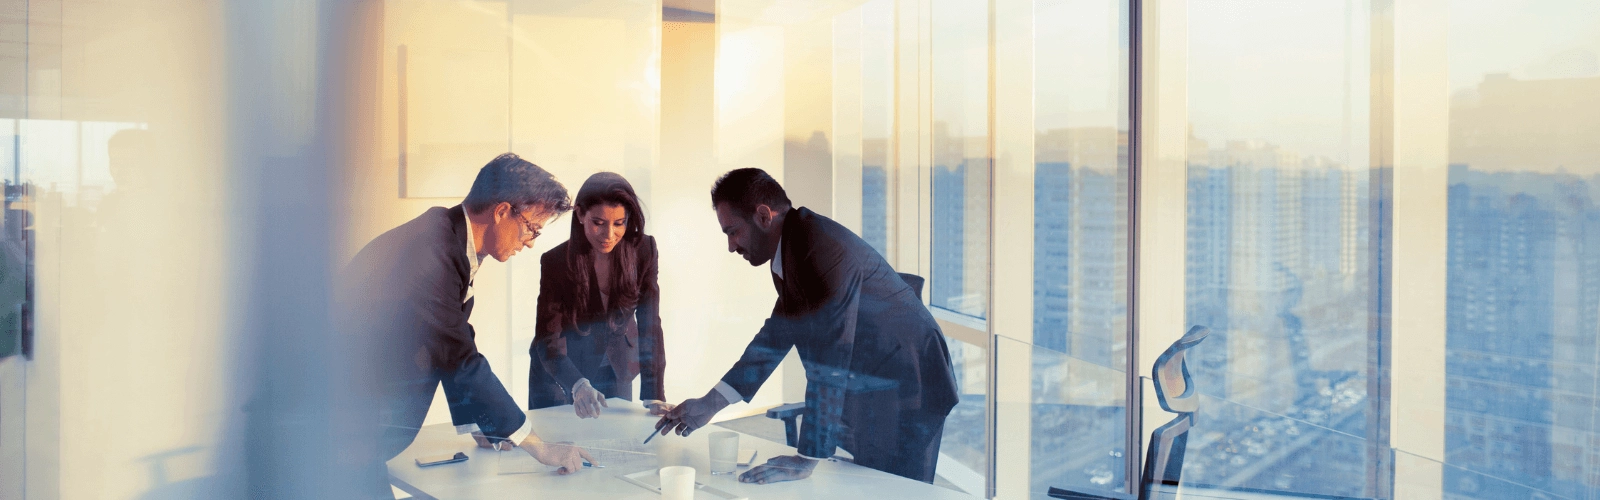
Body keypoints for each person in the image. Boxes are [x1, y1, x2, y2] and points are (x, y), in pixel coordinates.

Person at [654, 168, 959, 485]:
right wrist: (711, 403)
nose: (731, 246)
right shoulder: (792, 249)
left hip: (910, 380)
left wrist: (806, 458)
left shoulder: (821, 247)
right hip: (874, 378)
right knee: (870, 482)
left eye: (733, 232)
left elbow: (830, 356)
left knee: (898, 488)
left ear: (763, 216)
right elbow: (775, 337)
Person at [340, 153, 595, 494]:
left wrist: (480, 423)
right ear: (501, 212)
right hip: (339, 434)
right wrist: (539, 446)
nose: (531, 242)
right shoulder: (431, 253)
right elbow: (460, 357)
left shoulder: (444, 237)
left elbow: (449, 341)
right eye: (531, 228)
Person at [529, 172, 671, 418]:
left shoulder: (644, 250)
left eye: (619, 223)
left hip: (617, 366)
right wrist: (577, 385)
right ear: (580, 214)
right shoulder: (555, 261)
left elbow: (650, 324)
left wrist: (654, 394)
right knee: (559, 437)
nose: (609, 234)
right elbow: (547, 337)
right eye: (598, 222)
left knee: (617, 436)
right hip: (562, 372)